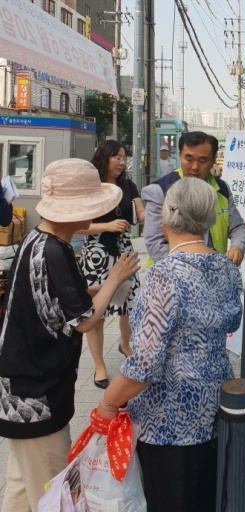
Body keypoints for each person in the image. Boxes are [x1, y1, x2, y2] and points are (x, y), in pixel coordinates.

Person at [0, 159, 139, 512]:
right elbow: (86, 321)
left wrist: (92, 289)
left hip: (18, 389)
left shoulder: (37, 240)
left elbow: (51, 298)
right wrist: (114, 279)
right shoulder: (54, 251)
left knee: (22, 489)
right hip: (36, 396)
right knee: (56, 491)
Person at [96, 177, 242, 512]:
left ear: (164, 217)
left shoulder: (163, 276)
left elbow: (144, 365)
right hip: (215, 408)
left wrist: (107, 402)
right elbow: (232, 322)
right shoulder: (226, 267)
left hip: (168, 422)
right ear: (209, 219)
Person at [78, 140, 146, 389]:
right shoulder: (91, 187)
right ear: (104, 157)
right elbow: (78, 227)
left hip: (123, 251)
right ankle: (99, 366)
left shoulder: (129, 185)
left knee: (128, 304)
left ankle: (125, 345)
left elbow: (141, 215)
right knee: (96, 310)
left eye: (124, 157)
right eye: (116, 156)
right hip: (96, 253)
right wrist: (107, 226)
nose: (121, 161)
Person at [142, 131, 245, 265]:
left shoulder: (222, 189)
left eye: (202, 160)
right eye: (189, 159)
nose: (195, 167)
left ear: (213, 160)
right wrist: (195, 268)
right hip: (172, 278)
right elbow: (154, 244)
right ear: (180, 156)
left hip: (215, 276)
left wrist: (237, 247)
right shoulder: (160, 191)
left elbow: (238, 227)